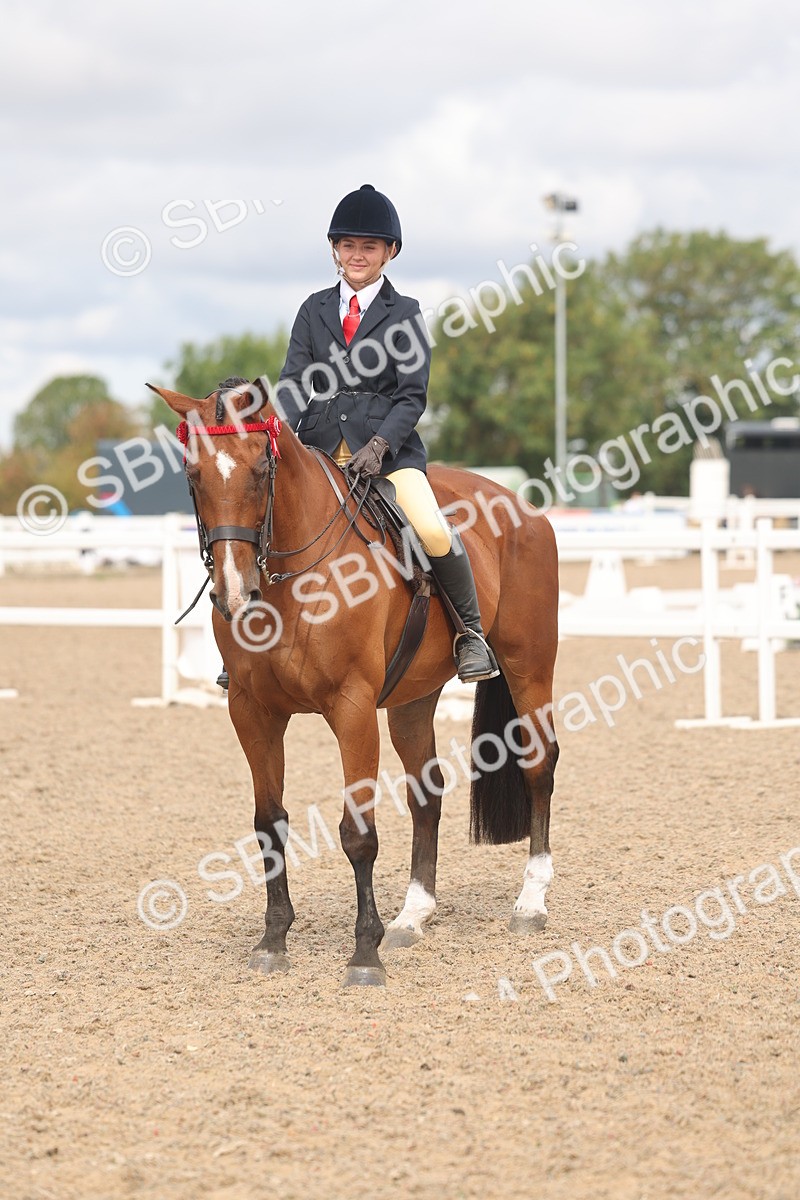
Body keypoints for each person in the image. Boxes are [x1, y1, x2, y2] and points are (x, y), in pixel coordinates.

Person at [273, 183, 498, 685]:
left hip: (387, 454)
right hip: (318, 447)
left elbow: (412, 396)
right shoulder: (313, 309)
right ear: (335, 250)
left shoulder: (405, 313)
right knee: (267, 520)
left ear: (389, 252)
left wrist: (380, 446)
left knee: (432, 528)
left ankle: (469, 634)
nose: (357, 255)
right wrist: (275, 434)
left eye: (368, 247)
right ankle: (246, 652)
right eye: (348, 246)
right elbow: (292, 384)